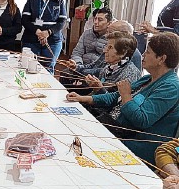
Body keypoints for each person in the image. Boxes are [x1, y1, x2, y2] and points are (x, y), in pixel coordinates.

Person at [67, 32, 179, 165]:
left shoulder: (171, 87)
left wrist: (126, 96)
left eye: (148, 52)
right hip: (118, 129)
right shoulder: (149, 78)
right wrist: (83, 98)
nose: (142, 55)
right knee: (74, 126)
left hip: (137, 144)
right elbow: (115, 96)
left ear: (161, 59)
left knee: (80, 141)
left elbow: (142, 120)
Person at [64, 31, 141, 95]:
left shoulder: (130, 75)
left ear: (123, 53)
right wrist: (76, 68)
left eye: (110, 47)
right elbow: (94, 71)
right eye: (106, 46)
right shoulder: (112, 67)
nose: (104, 51)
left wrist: (99, 89)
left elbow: (116, 106)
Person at [21, 0, 67, 72]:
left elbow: (62, 22)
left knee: (48, 68)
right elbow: (25, 20)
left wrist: (48, 32)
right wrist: (38, 32)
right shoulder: (31, 0)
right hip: (31, 39)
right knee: (29, 67)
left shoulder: (59, 1)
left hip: (53, 40)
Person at [61, 7, 113, 72]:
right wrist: (78, 65)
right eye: (95, 19)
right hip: (82, 66)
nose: (96, 22)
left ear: (109, 23)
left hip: (98, 70)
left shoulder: (112, 39)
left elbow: (109, 62)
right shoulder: (86, 34)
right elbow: (77, 52)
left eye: (100, 20)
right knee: (65, 72)